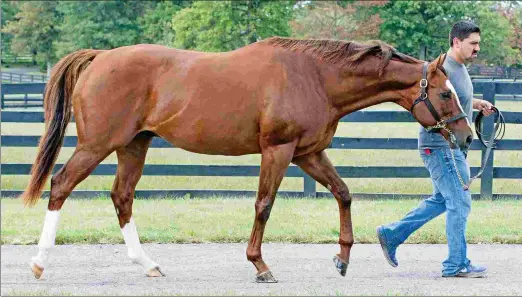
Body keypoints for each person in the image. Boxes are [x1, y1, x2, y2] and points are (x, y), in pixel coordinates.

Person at [376, 20, 495, 278]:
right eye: (473, 44)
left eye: (478, 44)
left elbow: (453, 102)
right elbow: (429, 103)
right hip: (441, 146)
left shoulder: (459, 68)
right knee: (459, 202)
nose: (477, 49)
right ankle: (456, 264)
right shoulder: (441, 69)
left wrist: (476, 104)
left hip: (449, 145)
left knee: (442, 200)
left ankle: (391, 234)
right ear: (456, 42)